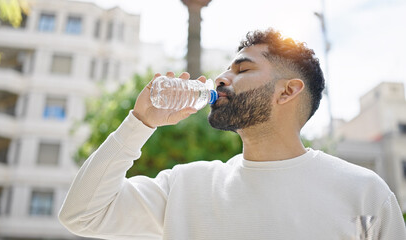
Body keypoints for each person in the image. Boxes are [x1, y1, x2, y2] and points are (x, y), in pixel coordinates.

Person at [59, 28, 406, 239]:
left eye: (242, 69)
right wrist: (140, 121)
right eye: (225, 69)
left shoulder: (364, 193)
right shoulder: (185, 187)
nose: (221, 79)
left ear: (287, 91)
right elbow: (81, 215)